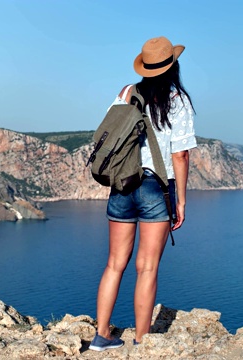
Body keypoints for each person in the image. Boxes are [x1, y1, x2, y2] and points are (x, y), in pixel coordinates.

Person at [89, 36, 197, 351]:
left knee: (114, 263)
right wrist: (181, 200)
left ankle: (101, 336)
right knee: (146, 267)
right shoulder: (177, 100)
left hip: (122, 184)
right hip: (157, 187)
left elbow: (106, 136)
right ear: (173, 65)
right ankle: (141, 341)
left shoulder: (125, 93)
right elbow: (181, 156)